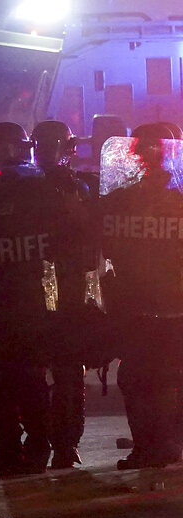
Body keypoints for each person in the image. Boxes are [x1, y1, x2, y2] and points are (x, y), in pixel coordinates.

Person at [0, 122, 71, 477]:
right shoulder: (45, 191)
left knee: (0, 379)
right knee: (31, 377)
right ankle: (37, 447)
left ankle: (9, 452)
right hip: (35, 301)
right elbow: (71, 242)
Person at [99, 123, 183, 469]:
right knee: (159, 377)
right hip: (165, 306)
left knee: (141, 378)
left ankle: (154, 447)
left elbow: (101, 247)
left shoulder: (119, 201)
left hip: (139, 306)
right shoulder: (176, 200)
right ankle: (160, 445)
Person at [31, 120, 95, 469]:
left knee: (35, 370)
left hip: (30, 292)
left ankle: (46, 443)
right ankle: (64, 445)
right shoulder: (76, 187)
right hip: (65, 291)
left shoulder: (19, 186)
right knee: (67, 371)